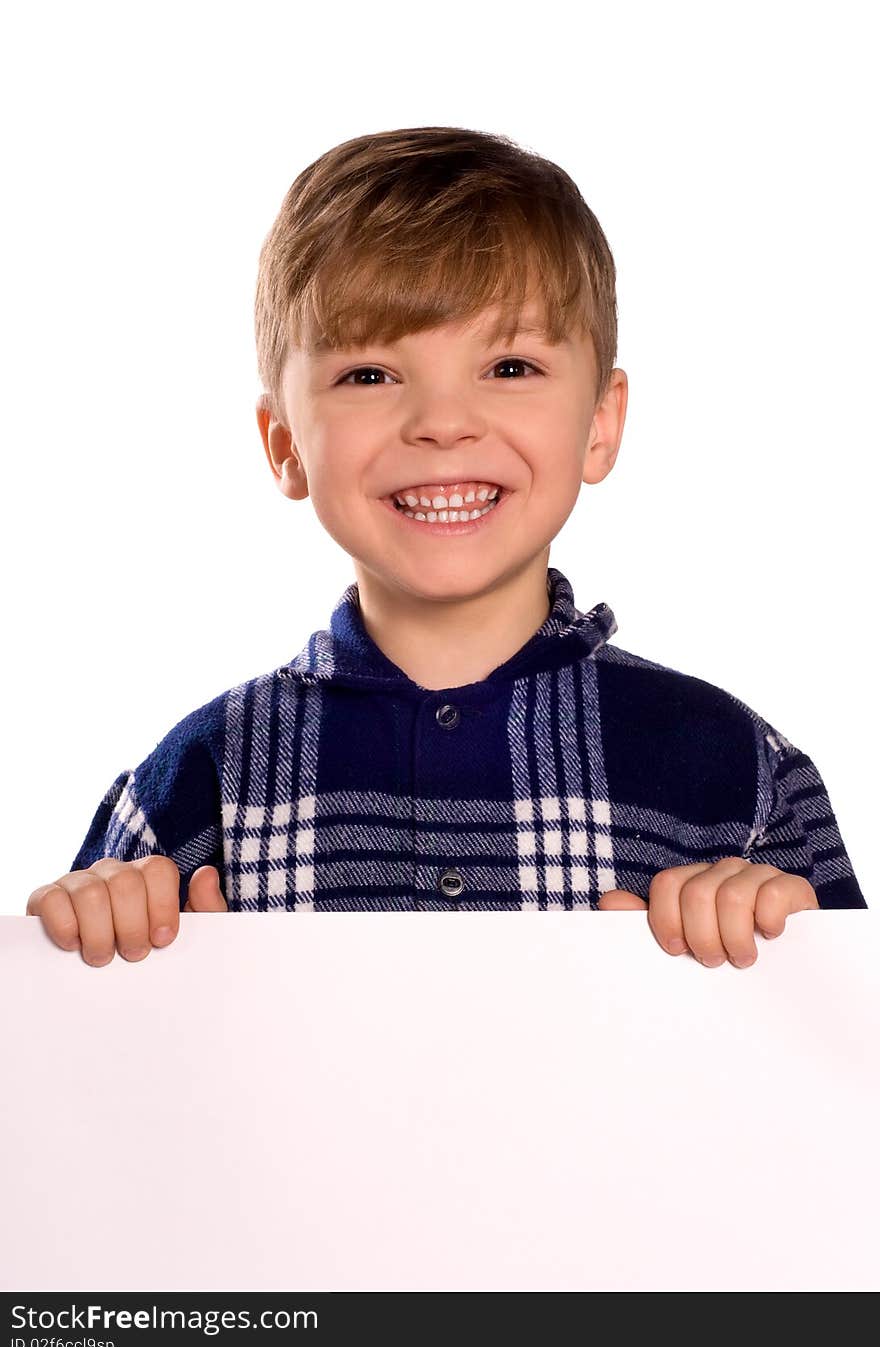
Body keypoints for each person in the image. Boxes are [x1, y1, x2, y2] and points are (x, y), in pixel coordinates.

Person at [26, 126, 867, 971]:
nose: (441, 422)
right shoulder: (199, 784)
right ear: (283, 441)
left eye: (508, 367)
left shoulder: (738, 772)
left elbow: (844, 1073)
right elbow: (71, 1070)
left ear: (601, 425)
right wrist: (92, 934)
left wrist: (792, 947)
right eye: (369, 375)